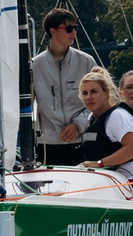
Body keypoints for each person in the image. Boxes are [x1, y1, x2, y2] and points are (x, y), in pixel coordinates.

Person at [31, 10, 95, 168]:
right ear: (52, 31)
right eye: (68, 28)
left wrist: (78, 124)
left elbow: (103, 100)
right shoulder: (33, 66)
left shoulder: (87, 62)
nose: (74, 32)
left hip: (82, 140)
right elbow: (25, 106)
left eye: (75, 28)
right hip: (47, 145)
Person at [75, 67, 133, 196]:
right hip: (111, 184)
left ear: (106, 93)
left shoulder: (118, 116)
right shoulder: (91, 118)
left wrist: (99, 164)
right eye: (84, 93)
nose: (89, 97)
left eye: (94, 92)